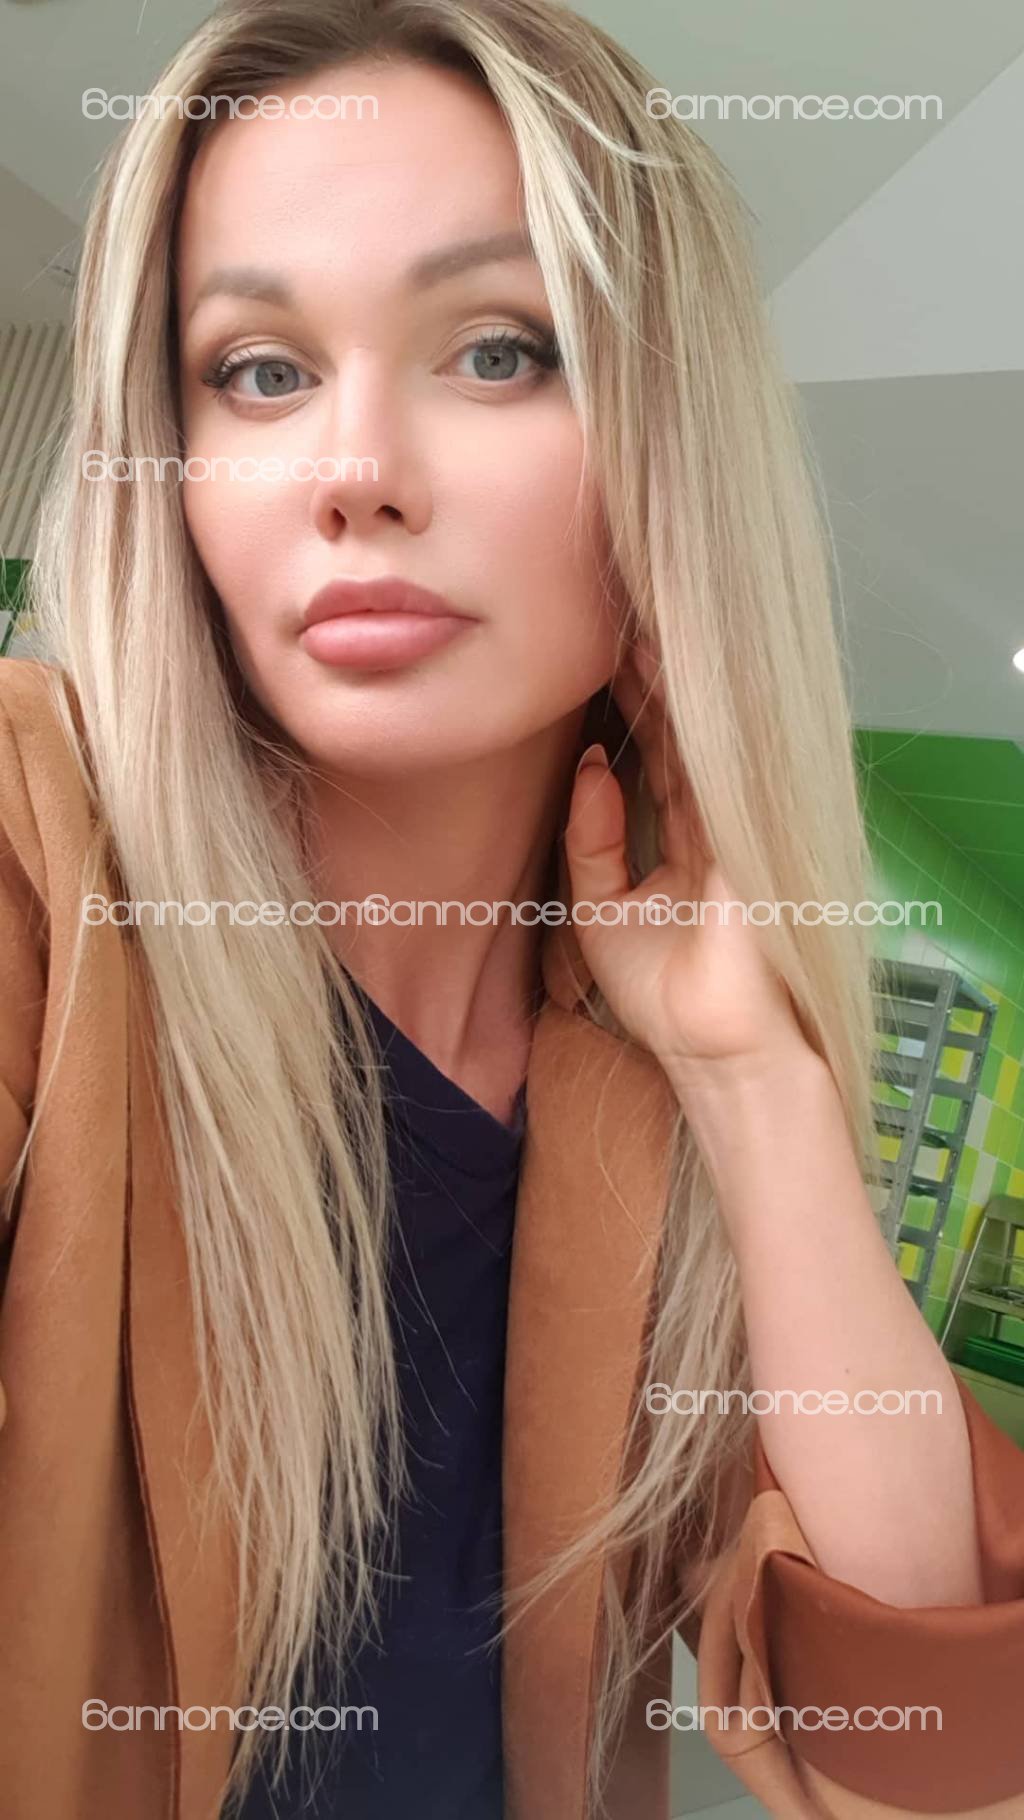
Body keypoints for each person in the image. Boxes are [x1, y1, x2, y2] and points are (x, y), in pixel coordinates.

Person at [0, 2, 1021, 1817]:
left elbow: (922, 1750)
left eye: (497, 350)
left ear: (669, 463)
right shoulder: (33, 882)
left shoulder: (639, 1096)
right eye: (257, 371)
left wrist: (758, 1088)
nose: (356, 472)